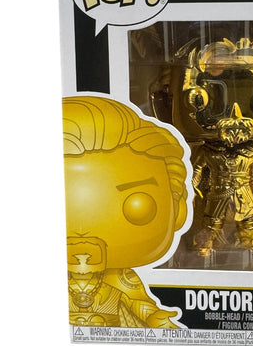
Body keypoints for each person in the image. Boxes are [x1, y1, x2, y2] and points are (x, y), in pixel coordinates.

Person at [63, 96, 188, 327]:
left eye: (137, 206)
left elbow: (138, 303)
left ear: (178, 208)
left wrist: (155, 318)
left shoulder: (120, 277)